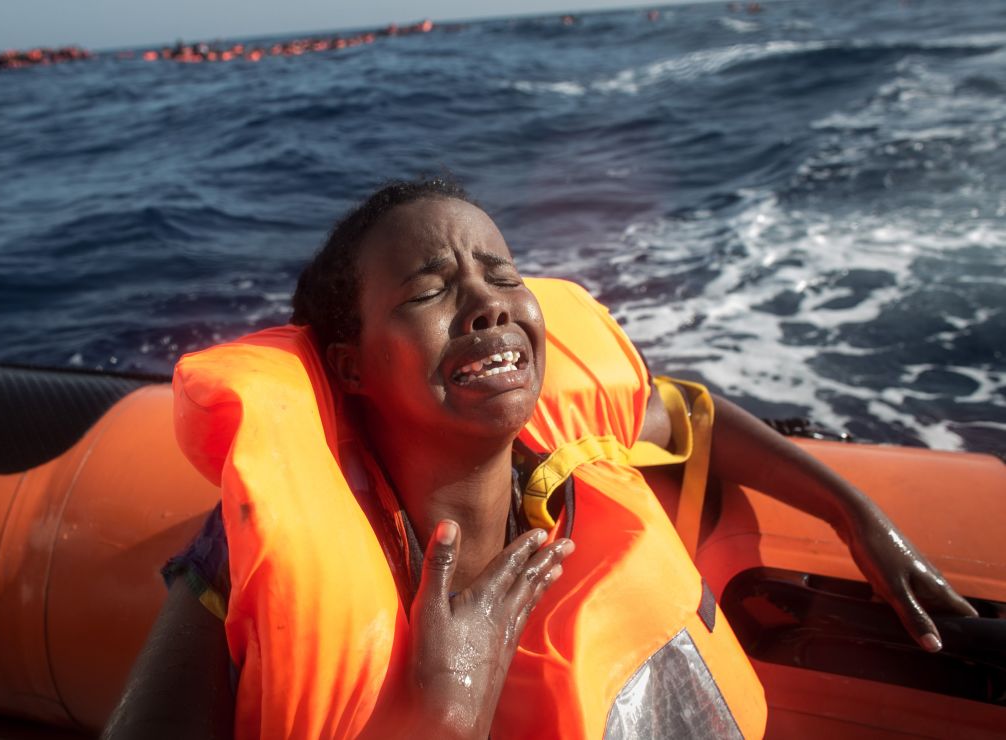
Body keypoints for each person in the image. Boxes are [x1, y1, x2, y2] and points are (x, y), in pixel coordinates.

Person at [104, 177, 976, 740]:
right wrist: (441, 717)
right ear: (350, 366)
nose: (487, 304)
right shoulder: (255, 553)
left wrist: (856, 518)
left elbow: (689, 416)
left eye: (503, 274)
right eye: (429, 292)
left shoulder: (564, 448)